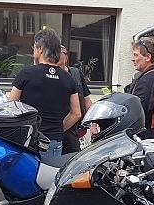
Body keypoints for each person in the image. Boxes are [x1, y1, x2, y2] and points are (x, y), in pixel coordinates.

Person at [8, 28, 80, 159]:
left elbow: (10, 106)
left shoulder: (26, 73)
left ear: (40, 49)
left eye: (34, 48)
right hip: (53, 141)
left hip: (28, 139)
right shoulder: (68, 78)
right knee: (50, 172)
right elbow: (76, 113)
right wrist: (58, 129)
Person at [127, 37, 154, 140]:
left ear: (147, 57)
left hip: (144, 138)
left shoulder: (147, 81)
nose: (132, 59)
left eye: (136, 55)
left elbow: (137, 113)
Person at [59, 46, 92, 154]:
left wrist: (93, 123)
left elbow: (87, 100)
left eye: (59, 54)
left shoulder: (76, 74)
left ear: (66, 57)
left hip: (74, 129)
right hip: (56, 127)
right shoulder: (50, 75)